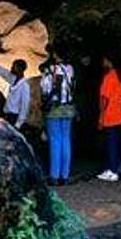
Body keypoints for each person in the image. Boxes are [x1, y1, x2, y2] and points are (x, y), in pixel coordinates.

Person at [40, 52, 76, 186]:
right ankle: (64, 176)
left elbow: (45, 89)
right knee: (66, 140)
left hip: (54, 109)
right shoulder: (70, 69)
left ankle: (54, 176)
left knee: (55, 141)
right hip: (68, 109)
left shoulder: (49, 71)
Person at [97, 55, 121, 182]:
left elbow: (104, 99)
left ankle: (112, 171)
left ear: (109, 61)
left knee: (110, 144)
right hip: (118, 114)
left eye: (105, 59)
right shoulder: (120, 76)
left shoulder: (109, 77)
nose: (103, 62)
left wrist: (100, 117)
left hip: (109, 115)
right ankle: (112, 168)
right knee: (115, 143)